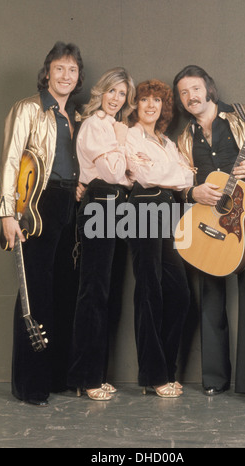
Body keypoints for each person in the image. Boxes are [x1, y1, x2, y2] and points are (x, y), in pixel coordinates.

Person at [173, 65, 245, 410]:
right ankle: (215, 379)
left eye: (195, 89)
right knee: (210, 295)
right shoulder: (185, 137)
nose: (191, 97)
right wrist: (193, 193)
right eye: (183, 93)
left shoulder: (244, 116)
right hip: (208, 221)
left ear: (209, 88)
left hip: (243, 219)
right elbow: (178, 181)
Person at [0, 41, 85, 406]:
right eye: (59, 68)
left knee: (65, 291)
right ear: (47, 72)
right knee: (35, 293)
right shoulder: (28, 108)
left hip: (69, 205)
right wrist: (6, 214)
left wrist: (79, 182)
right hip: (36, 204)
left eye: (72, 70)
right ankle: (30, 384)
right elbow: (11, 160)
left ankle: (56, 377)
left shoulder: (75, 115)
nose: (65, 75)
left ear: (78, 77)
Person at [67, 67, 136, 401]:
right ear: (101, 92)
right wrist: (123, 145)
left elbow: (132, 175)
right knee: (93, 292)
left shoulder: (112, 127)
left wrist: (123, 154)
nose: (116, 99)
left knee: (106, 292)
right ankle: (86, 377)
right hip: (101, 204)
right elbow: (112, 172)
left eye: (122, 94)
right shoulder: (97, 125)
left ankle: (92, 375)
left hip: (115, 208)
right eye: (112, 91)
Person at [125, 79, 193, 397]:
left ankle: (166, 370)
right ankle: (154, 375)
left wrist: (173, 173)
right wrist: (174, 174)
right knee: (149, 289)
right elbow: (147, 176)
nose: (151, 105)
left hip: (168, 213)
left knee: (178, 292)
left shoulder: (165, 141)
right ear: (136, 105)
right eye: (144, 99)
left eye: (157, 100)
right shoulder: (130, 136)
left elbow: (189, 176)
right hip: (142, 210)